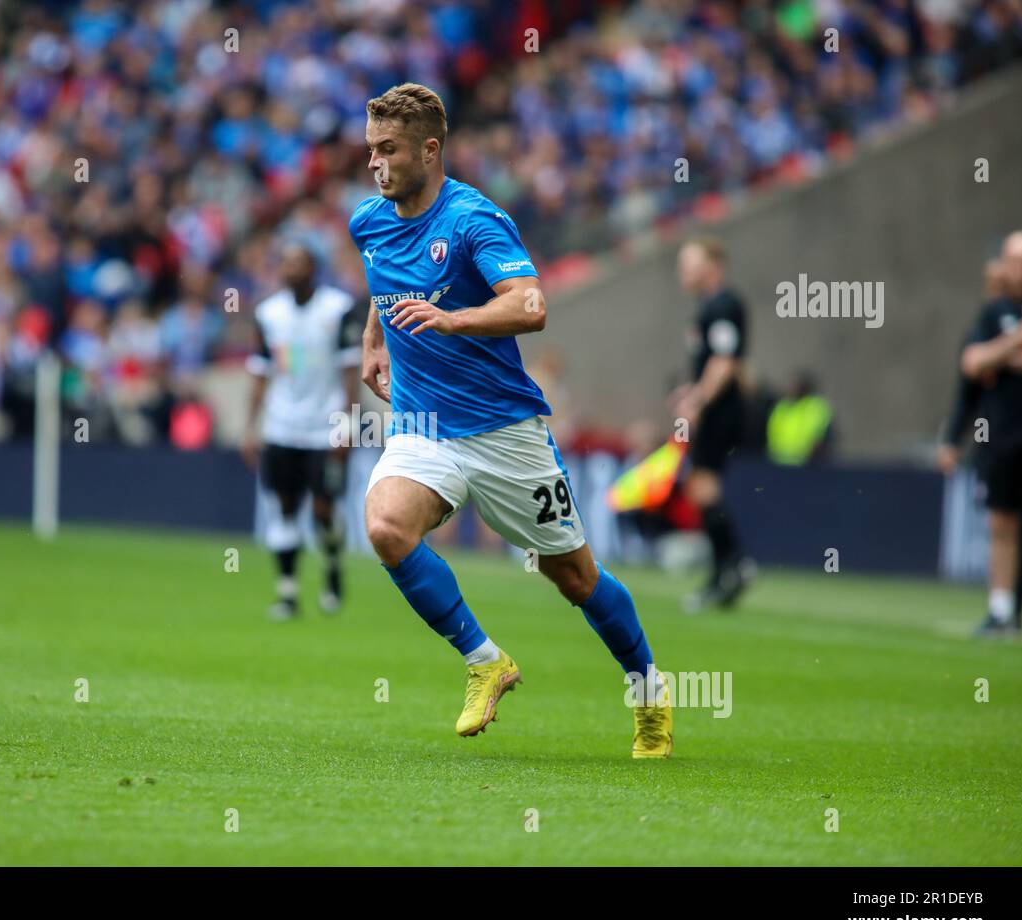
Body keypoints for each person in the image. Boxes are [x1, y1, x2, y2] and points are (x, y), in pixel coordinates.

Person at [350, 83, 672, 758]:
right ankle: (485, 660)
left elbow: (531, 305)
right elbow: (384, 282)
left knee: (576, 579)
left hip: (504, 433)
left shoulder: (474, 220)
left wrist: (454, 318)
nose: (375, 163)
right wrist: (372, 341)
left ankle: (648, 693)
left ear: (430, 150)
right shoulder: (369, 221)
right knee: (384, 525)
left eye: (390, 150)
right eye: (370, 149)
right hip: (424, 426)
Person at [243, 242, 363, 619]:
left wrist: (348, 422)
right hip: (282, 426)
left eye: (299, 262)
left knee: (324, 509)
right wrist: (251, 427)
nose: (291, 268)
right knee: (285, 507)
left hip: (324, 427)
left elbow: (350, 369)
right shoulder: (268, 314)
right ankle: (288, 592)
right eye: (286, 262)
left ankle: (331, 565)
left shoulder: (338, 309)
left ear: (314, 269)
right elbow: (261, 373)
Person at [669, 237, 753, 611]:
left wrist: (699, 401)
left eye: (690, 262)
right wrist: (690, 391)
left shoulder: (723, 304)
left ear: (712, 265)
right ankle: (727, 570)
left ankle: (733, 565)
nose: (682, 271)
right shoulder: (709, 307)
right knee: (699, 485)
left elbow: (724, 362)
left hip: (723, 411)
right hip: (716, 407)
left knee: (702, 484)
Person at [959, 230, 1022, 637]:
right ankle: (1001, 610)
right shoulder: (994, 312)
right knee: (1002, 523)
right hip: (1003, 436)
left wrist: (1003, 360)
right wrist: (1018, 343)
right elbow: (972, 362)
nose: (1021, 269)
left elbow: (991, 362)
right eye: (1015, 260)